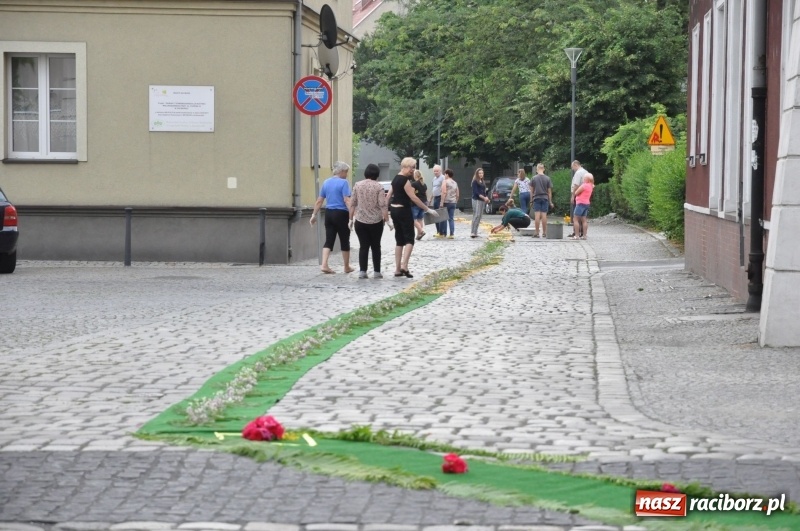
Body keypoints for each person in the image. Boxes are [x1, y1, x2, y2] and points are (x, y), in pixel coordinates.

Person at [385, 157, 438, 278]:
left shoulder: (395, 178)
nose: (413, 170)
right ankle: (405, 265)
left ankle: (397, 269)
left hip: (394, 210)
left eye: (414, 168)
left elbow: (388, 197)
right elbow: (413, 197)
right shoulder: (405, 181)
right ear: (405, 166)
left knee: (399, 240)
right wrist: (427, 209)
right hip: (404, 210)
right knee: (409, 239)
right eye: (411, 167)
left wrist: (387, 217)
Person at [310, 161, 353, 274]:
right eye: (346, 172)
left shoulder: (326, 182)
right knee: (344, 240)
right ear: (342, 171)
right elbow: (347, 200)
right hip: (341, 214)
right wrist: (352, 216)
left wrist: (314, 215)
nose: (347, 174)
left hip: (329, 213)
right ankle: (346, 267)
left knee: (329, 239)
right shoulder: (344, 183)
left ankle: (324, 265)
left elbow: (319, 200)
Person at [349, 163, 388, 279]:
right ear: (377, 174)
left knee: (363, 246)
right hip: (376, 221)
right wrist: (387, 219)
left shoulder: (357, 185)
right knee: (376, 246)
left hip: (360, 221)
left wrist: (350, 219)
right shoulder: (379, 187)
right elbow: (383, 205)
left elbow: (352, 203)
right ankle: (376, 271)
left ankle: (362, 271)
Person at [530, 163, 553, 238]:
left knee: (537, 215)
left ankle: (536, 232)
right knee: (544, 215)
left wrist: (531, 201)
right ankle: (545, 232)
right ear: (543, 169)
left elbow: (531, 191)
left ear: (537, 169)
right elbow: (549, 192)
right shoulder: (547, 178)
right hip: (545, 198)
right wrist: (550, 202)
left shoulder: (533, 178)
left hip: (536, 198)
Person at [571, 173, 595, 240]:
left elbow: (576, 193)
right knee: (584, 220)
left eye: (584, 178)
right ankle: (584, 235)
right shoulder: (591, 185)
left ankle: (577, 235)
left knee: (575, 219)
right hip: (586, 203)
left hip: (580, 203)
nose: (583, 179)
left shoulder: (584, 185)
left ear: (586, 179)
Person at [569, 160, 588, 237]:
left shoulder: (578, 173)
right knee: (583, 217)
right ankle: (583, 233)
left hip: (578, 196)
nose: (573, 169)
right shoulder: (586, 172)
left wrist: (573, 195)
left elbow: (576, 185)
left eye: (572, 167)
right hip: (585, 197)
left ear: (576, 165)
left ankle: (576, 233)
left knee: (576, 216)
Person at [470, 168, 490, 238]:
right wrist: (483, 197)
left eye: (482, 173)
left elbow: (484, 192)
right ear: (477, 174)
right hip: (476, 200)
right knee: (476, 215)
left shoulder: (483, 181)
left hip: (482, 200)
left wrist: (486, 198)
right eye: (479, 173)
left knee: (480, 216)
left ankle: (476, 231)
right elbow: (476, 192)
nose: (481, 174)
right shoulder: (475, 181)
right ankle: (472, 232)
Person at [440, 169, 459, 239]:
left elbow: (444, 192)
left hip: (446, 202)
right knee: (451, 218)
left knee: (444, 218)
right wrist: (455, 201)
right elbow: (457, 194)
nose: (444, 175)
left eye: (445, 174)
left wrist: (441, 202)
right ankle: (452, 233)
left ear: (447, 174)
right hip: (453, 202)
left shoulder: (445, 182)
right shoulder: (455, 183)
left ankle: (444, 233)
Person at [410, 170, 428, 240]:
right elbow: (426, 193)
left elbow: (411, 193)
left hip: (416, 203)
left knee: (413, 219)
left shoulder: (414, 184)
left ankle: (421, 231)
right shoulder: (424, 184)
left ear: (415, 175)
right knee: (420, 219)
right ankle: (418, 235)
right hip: (424, 202)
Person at [430, 165, 446, 237]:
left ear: (440, 171)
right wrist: (430, 199)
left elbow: (444, 189)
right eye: (434, 171)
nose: (435, 172)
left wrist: (442, 200)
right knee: (435, 214)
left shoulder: (442, 178)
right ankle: (438, 231)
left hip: (440, 197)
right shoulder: (434, 179)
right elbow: (433, 189)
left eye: (437, 171)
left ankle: (442, 232)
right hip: (435, 197)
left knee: (441, 215)